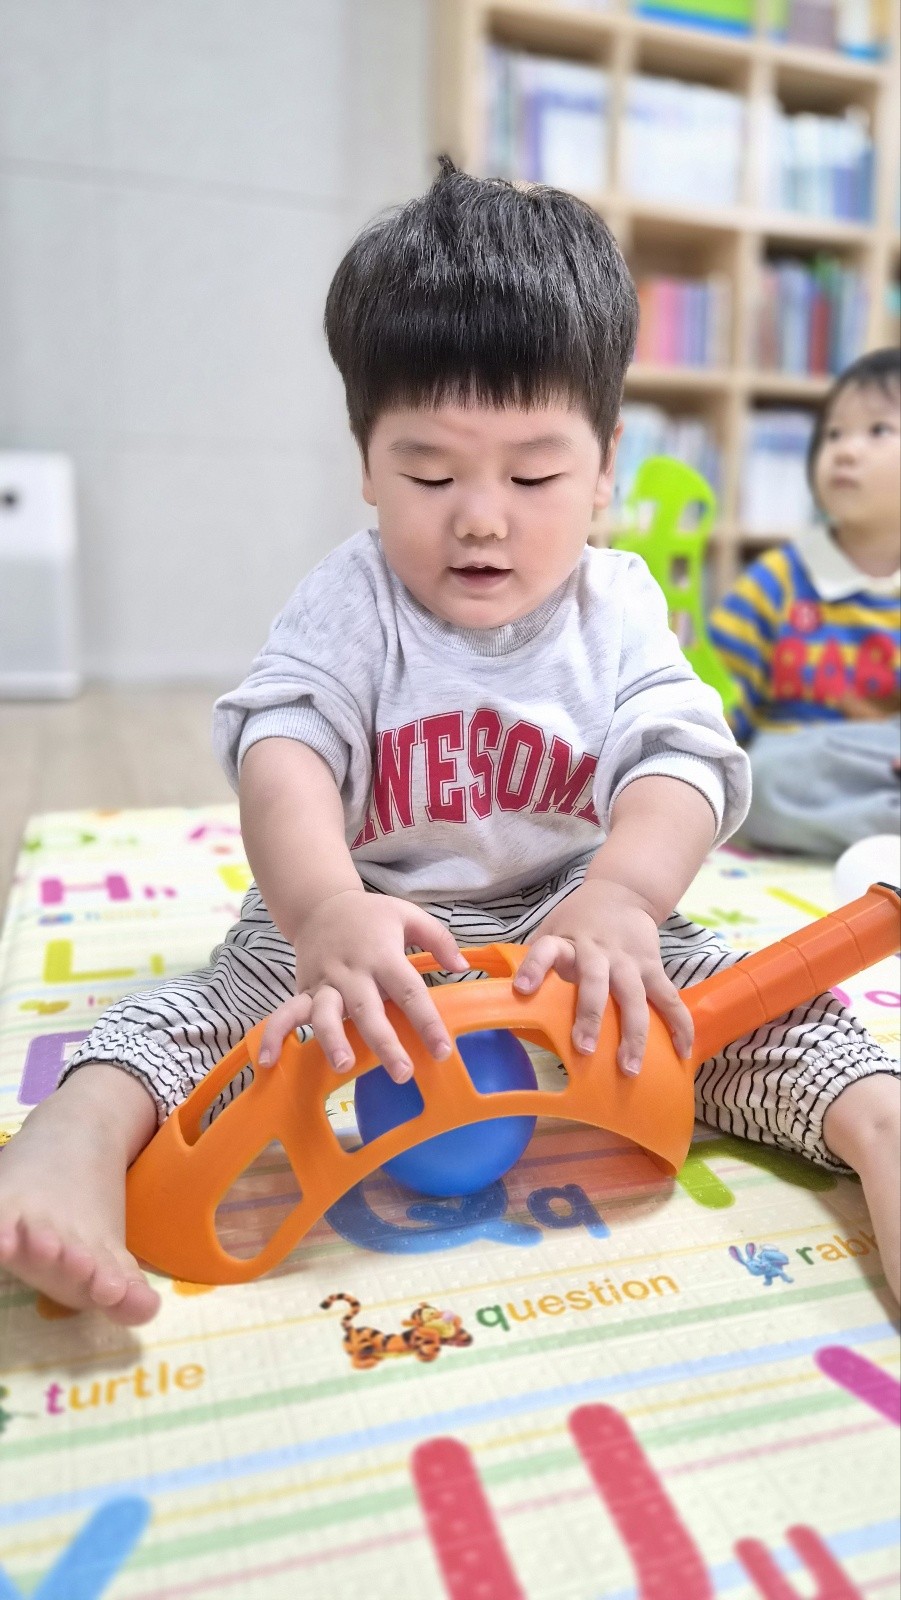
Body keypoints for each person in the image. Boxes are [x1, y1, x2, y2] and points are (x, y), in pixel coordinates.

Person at [0, 163, 897, 1325]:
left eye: (533, 474)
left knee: (734, 1002)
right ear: (366, 461)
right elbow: (283, 751)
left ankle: (879, 1129)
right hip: (371, 907)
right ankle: (68, 1145)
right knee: (215, 1013)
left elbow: (681, 755)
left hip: (569, 909)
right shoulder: (352, 599)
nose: (480, 515)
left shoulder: (616, 604)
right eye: (428, 471)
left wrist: (626, 896)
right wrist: (324, 908)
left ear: (604, 464)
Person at [709, 348, 900, 856]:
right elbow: (719, 699)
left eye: (878, 430)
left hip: (883, 764)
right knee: (765, 775)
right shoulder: (777, 581)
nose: (845, 451)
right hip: (797, 774)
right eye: (833, 434)